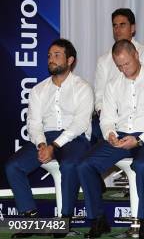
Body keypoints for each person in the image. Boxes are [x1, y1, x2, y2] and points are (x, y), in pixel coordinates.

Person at [78, 40, 144, 239]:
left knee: (143, 165)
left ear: (136, 55)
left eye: (126, 64)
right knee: (85, 165)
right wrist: (110, 134)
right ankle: (98, 219)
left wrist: (139, 140)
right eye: (119, 66)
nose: (123, 69)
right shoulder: (113, 85)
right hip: (120, 136)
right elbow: (107, 118)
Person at [5, 39, 92, 238]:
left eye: (56, 55)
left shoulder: (82, 87)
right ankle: (30, 218)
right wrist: (42, 144)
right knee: (13, 166)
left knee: (69, 165)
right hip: (46, 137)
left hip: (74, 138)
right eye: (49, 56)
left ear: (70, 60)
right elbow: (34, 123)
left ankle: (65, 220)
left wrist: (54, 146)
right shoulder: (38, 90)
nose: (51, 60)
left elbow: (79, 124)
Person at [92, 8, 144, 143]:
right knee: (93, 132)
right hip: (111, 117)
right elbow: (99, 96)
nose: (118, 29)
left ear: (133, 28)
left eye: (122, 25)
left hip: (141, 119)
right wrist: (106, 115)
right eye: (114, 25)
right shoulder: (104, 60)